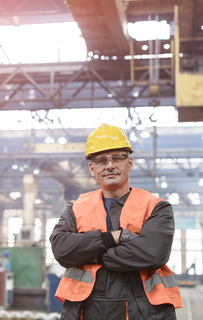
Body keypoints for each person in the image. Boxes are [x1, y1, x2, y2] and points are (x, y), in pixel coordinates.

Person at [50, 124, 182, 320]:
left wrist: (93, 256)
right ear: (91, 168)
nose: (109, 165)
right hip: (85, 311)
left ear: (129, 163)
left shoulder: (156, 207)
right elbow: (62, 251)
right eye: (101, 160)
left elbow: (153, 254)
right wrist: (114, 237)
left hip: (143, 311)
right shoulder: (75, 207)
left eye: (117, 158)